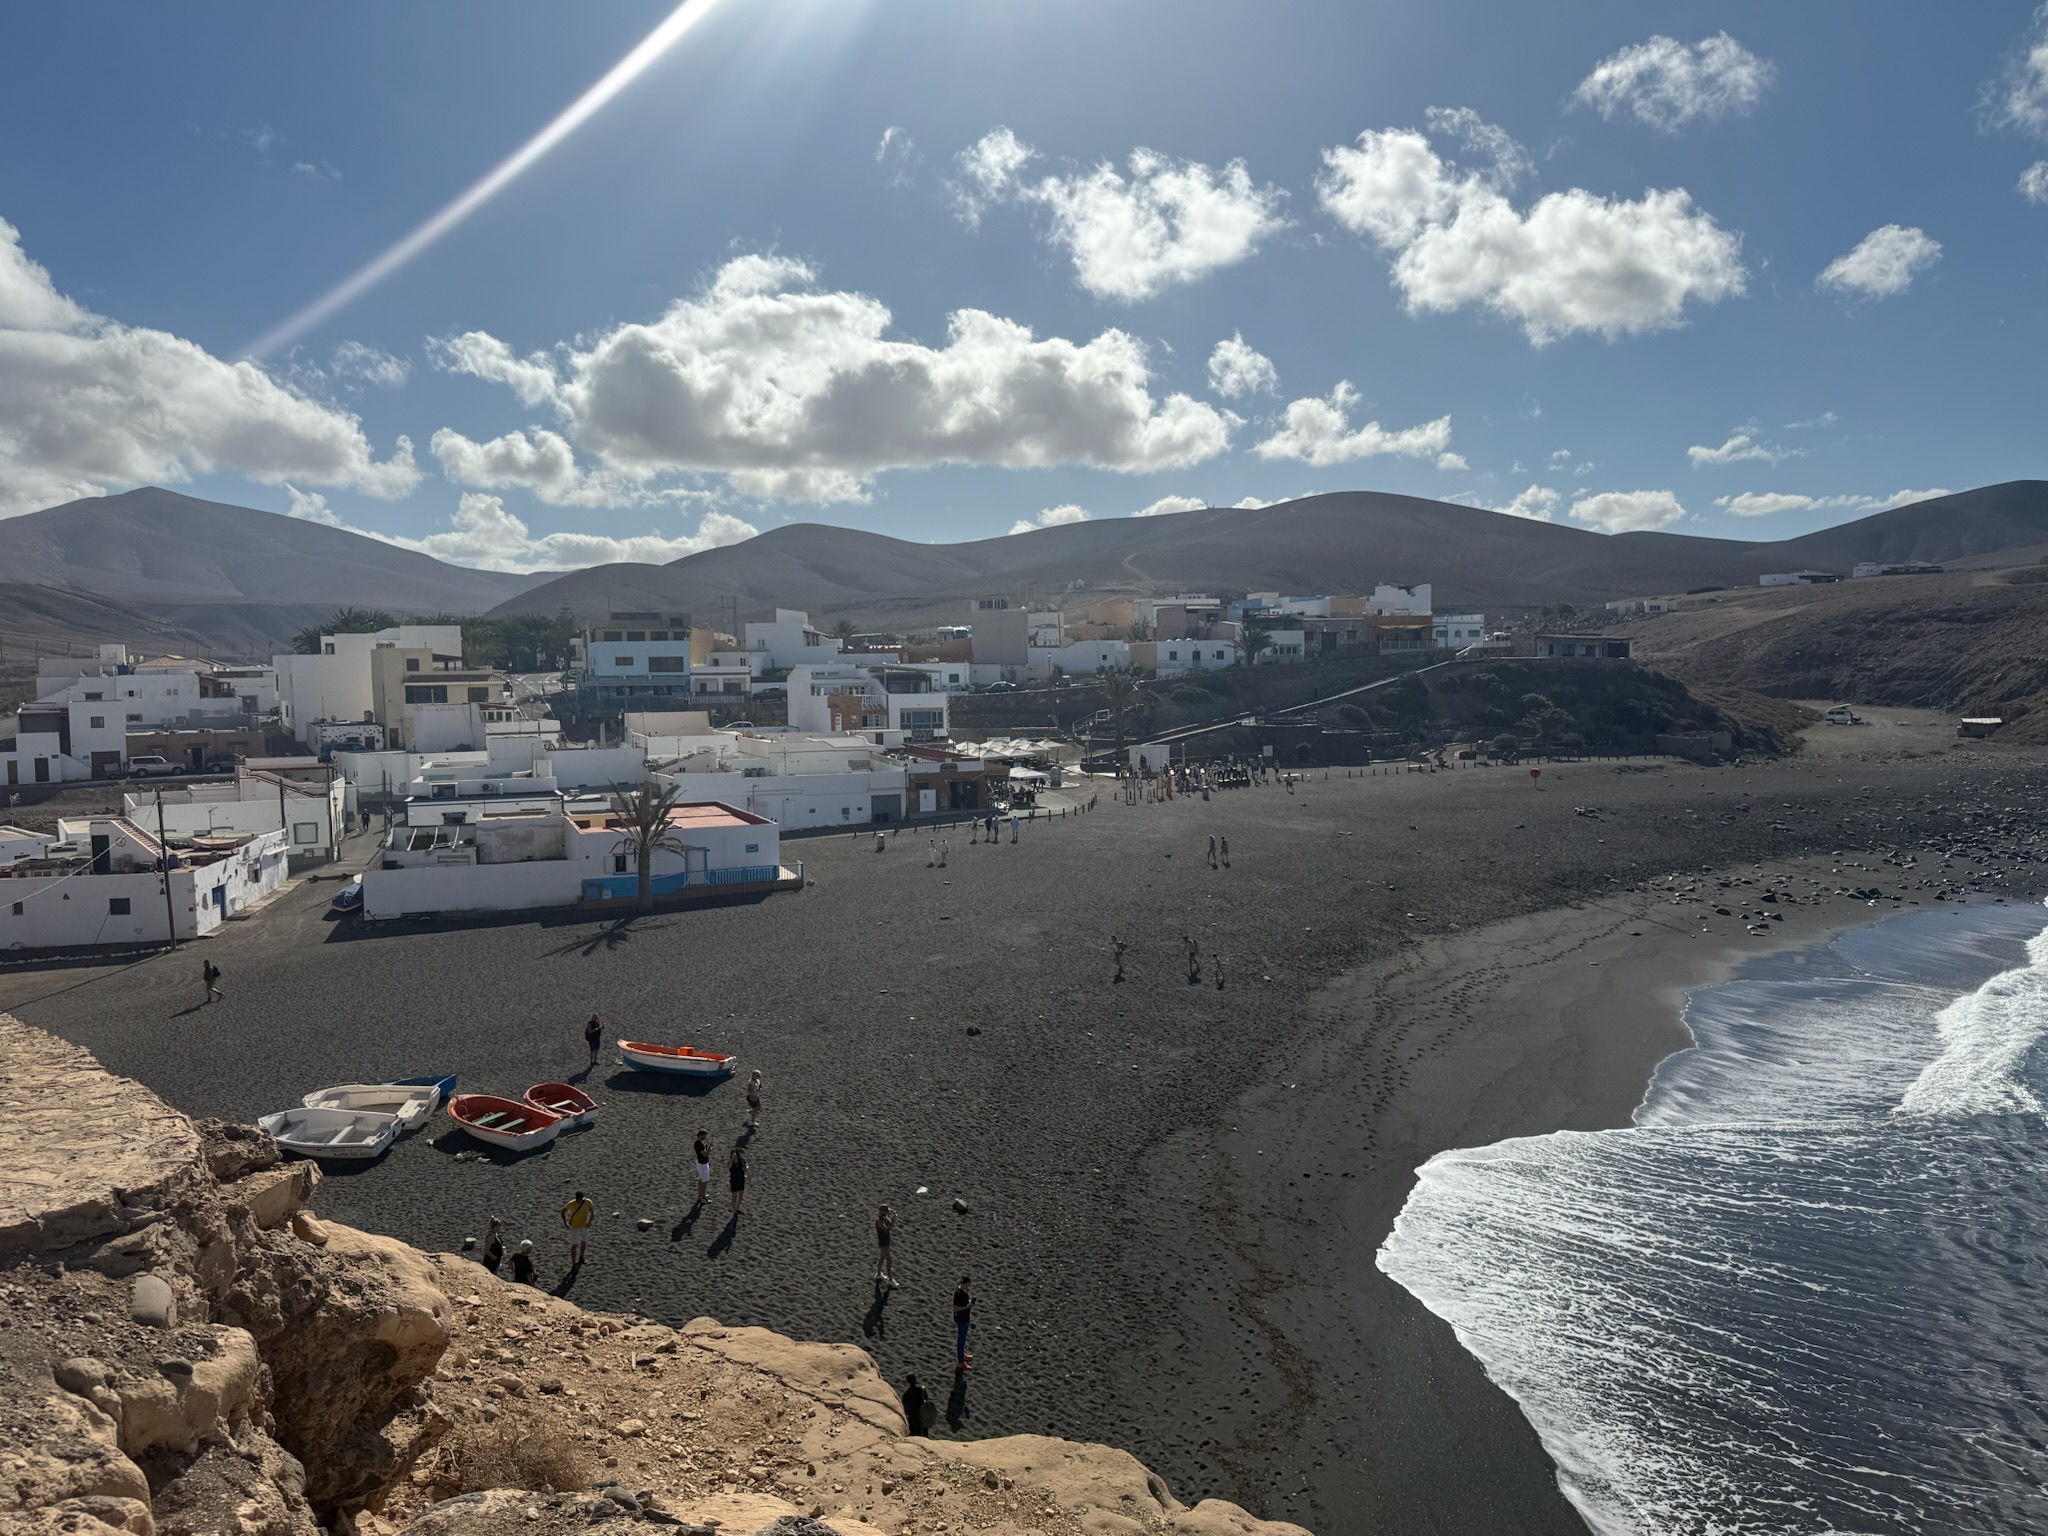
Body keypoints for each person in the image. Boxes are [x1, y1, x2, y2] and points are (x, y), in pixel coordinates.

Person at [560, 1189, 594, 1265]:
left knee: (584, 1241)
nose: (579, 1201)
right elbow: (562, 1211)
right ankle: (573, 1262)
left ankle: (581, 1257)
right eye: (578, 1200)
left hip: (584, 1225)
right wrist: (565, 1223)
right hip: (574, 1226)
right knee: (574, 1244)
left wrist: (589, 1222)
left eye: (581, 1199)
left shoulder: (588, 1202)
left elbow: (592, 1212)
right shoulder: (571, 1204)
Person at [953, 1276, 974, 1371]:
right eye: (968, 1284)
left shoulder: (963, 1292)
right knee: (961, 1340)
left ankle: (962, 1355)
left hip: (964, 1318)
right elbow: (955, 1308)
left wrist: (969, 1304)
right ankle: (960, 1362)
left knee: (963, 1339)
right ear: (964, 1284)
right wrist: (967, 1307)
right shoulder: (958, 1294)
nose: (969, 1286)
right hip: (961, 1319)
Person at [875, 1204, 896, 1287]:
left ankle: (878, 1274)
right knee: (889, 1261)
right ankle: (890, 1279)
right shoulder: (879, 1222)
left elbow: (890, 1224)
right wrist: (893, 1220)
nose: (887, 1213)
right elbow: (887, 1230)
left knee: (882, 1258)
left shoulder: (884, 1219)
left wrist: (892, 1219)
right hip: (883, 1243)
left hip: (886, 1242)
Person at [693, 1129, 712, 1207]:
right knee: (705, 1180)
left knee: (701, 1179)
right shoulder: (698, 1144)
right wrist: (709, 1148)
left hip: (700, 1163)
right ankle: (702, 1196)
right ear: (701, 1135)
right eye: (704, 1136)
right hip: (702, 1164)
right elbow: (705, 1154)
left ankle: (700, 1194)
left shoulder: (698, 1143)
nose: (705, 1137)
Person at [728, 1147, 747, 1213]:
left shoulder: (741, 1160)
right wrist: (732, 1159)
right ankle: (734, 1210)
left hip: (741, 1180)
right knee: (734, 1197)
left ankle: (737, 1208)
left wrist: (745, 1168)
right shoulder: (731, 1162)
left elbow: (745, 1167)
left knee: (741, 1195)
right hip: (734, 1181)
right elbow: (729, 1167)